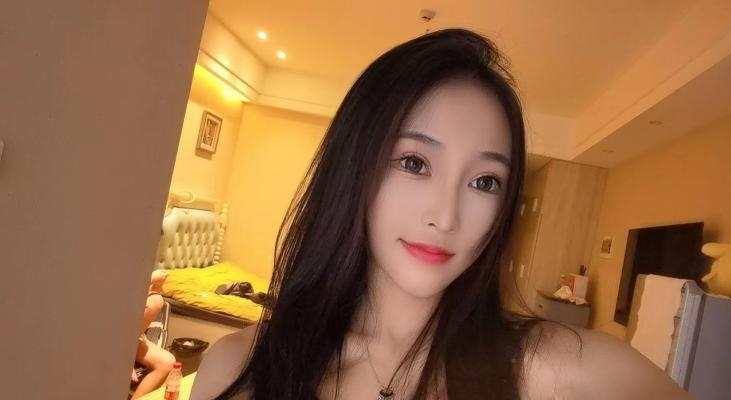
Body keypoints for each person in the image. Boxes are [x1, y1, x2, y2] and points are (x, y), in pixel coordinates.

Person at [190, 29, 693, 400]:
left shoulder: (556, 370)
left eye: (484, 182)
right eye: (414, 163)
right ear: (354, 167)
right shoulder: (236, 370)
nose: (446, 216)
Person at [131, 269, 177, 399]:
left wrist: (155, 285)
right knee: (155, 301)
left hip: (133, 337)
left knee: (168, 362)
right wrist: (150, 279)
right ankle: (124, 358)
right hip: (111, 335)